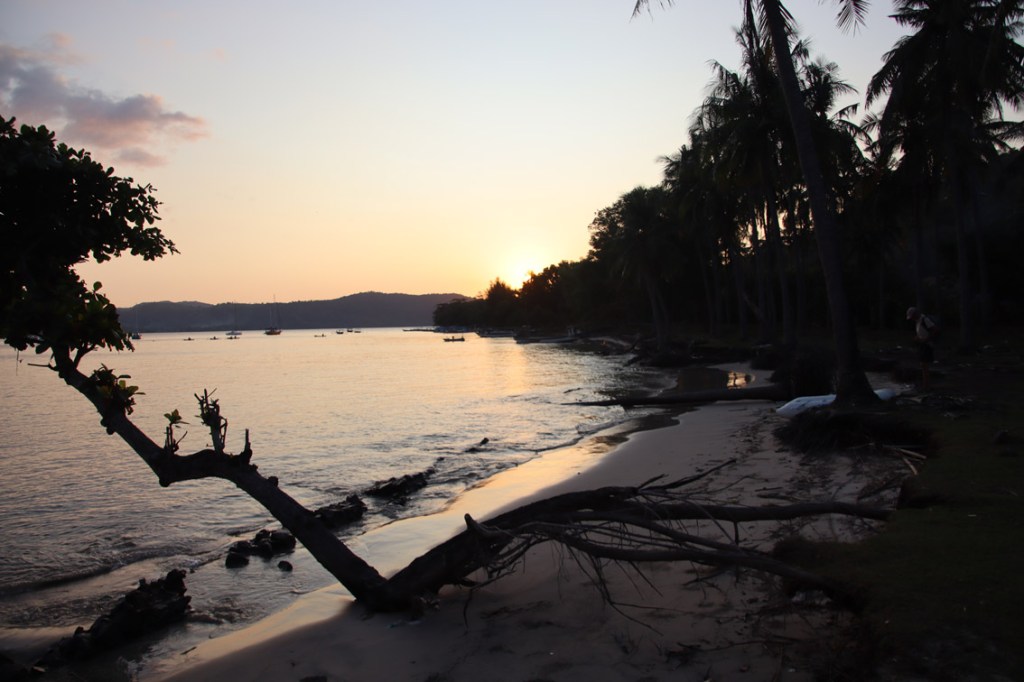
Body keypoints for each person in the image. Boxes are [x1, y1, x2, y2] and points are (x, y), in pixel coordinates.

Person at [907, 306, 938, 390]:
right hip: (922, 344)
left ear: (916, 314)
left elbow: (934, 330)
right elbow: (922, 331)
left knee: (924, 364)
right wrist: (918, 337)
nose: (912, 319)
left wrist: (925, 339)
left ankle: (926, 385)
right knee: (923, 364)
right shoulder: (918, 321)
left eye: (912, 316)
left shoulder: (925, 319)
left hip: (927, 344)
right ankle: (925, 384)